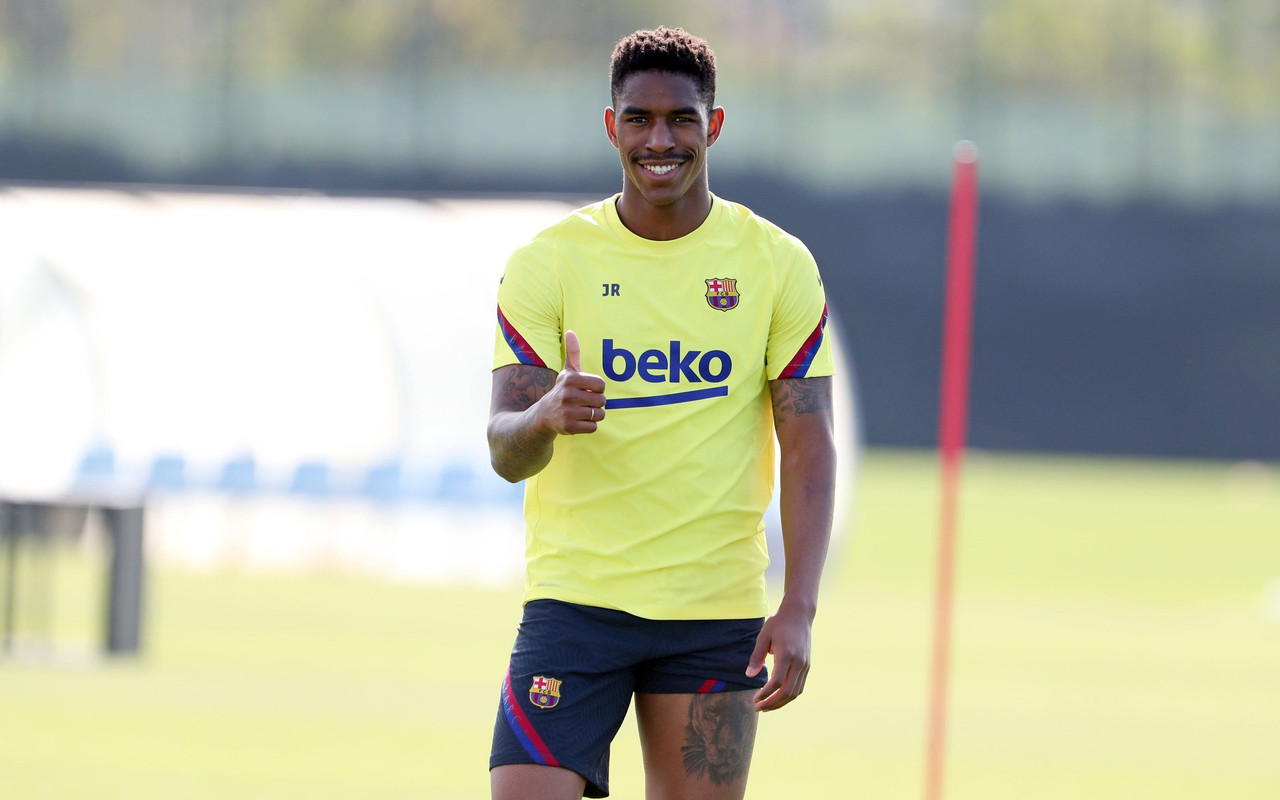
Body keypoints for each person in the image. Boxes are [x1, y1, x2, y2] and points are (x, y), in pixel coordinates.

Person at [486, 26, 836, 800]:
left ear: (714, 125)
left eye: (681, 119)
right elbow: (505, 450)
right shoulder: (549, 262)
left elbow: (810, 441)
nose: (660, 140)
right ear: (612, 126)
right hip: (576, 604)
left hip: (714, 612)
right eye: (639, 119)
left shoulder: (777, 263)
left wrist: (799, 606)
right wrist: (544, 416)